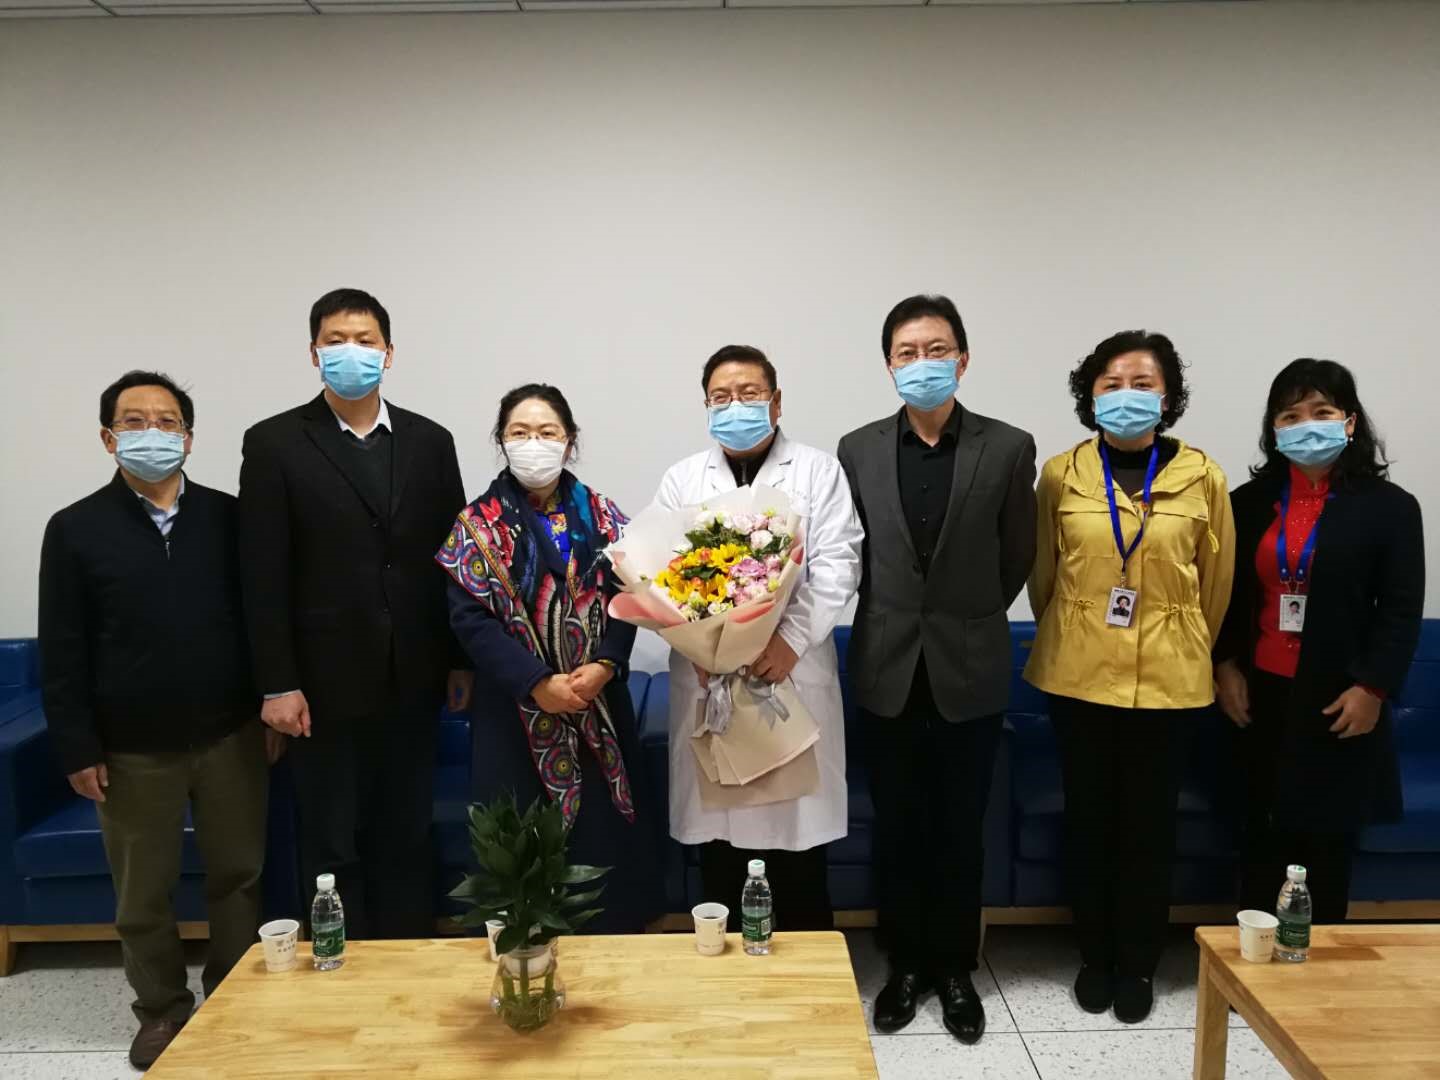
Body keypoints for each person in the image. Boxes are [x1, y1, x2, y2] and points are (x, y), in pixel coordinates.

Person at [39, 372, 275, 1070]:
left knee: (239, 876)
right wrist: (77, 745)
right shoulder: (75, 529)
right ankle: (162, 1009)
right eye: (135, 421)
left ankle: (232, 998)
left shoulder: (230, 519)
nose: (153, 433)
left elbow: (263, 622)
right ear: (109, 437)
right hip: (131, 748)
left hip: (230, 734)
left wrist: (270, 705)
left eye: (167, 422)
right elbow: (62, 648)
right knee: (143, 893)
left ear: (189, 439)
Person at [239, 288, 471, 940]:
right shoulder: (275, 443)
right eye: (336, 340)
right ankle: (338, 965)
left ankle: (406, 957)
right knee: (331, 838)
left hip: (414, 676)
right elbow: (261, 573)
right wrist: (276, 682)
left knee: (406, 831)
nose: (351, 352)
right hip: (320, 686)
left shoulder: (430, 441)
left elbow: (456, 558)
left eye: (365, 341)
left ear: (388, 353)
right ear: (314, 352)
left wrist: (459, 660)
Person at [838, 295, 1036, 1045]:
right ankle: (905, 965)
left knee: (959, 829)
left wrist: (966, 617)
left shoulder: (1008, 447)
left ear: (963, 357)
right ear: (888, 365)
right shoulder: (857, 449)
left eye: (936, 349)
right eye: (907, 352)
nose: (922, 363)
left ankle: (955, 968)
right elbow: (852, 555)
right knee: (899, 827)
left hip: (969, 667)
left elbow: (1018, 555)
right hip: (885, 667)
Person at [1024, 330, 1235, 1024]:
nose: (1126, 396)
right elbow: (1044, 577)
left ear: (1168, 397)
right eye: (1111, 384)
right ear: (1089, 396)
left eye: (1143, 383)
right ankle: (1095, 955)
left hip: (1170, 678)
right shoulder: (1061, 474)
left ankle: (1139, 962)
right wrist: (1078, 628)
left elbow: (1216, 585)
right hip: (1078, 673)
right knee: (1089, 820)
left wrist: (1181, 636)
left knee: (1150, 827)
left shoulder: (1203, 476)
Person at [654, 345, 863, 934]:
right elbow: (659, 575)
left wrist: (789, 642)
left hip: (788, 674)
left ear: (776, 401)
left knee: (798, 854)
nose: (735, 406)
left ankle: (807, 976)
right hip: (710, 681)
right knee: (720, 851)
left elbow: (838, 564)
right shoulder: (682, 479)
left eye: (749, 393)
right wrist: (701, 647)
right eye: (721, 397)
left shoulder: (817, 471)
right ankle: (725, 968)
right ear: (705, 405)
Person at [437, 384, 662, 931]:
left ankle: (613, 949)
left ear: (569, 441)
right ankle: (527, 959)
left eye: (547, 432)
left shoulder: (605, 517)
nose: (533, 443)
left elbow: (631, 596)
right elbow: (469, 621)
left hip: (596, 703)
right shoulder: (476, 526)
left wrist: (606, 664)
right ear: (501, 441)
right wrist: (537, 682)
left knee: (605, 843)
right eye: (520, 433)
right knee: (520, 846)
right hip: (514, 711)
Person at [1215, 359, 1423, 924]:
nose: (1306, 424)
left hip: (1340, 697)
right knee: (1260, 838)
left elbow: (1401, 610)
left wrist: (1373, 688)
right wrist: (1224, 667)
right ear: (1273, 428)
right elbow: (1225, 597)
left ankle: (1319, 963)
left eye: (1322, 411)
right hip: (1260, 695)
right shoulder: (1245, 503)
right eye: (1290, 415)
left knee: (1326, 849)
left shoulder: (1390, 508)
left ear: (1349, 422)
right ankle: (1252, 956)